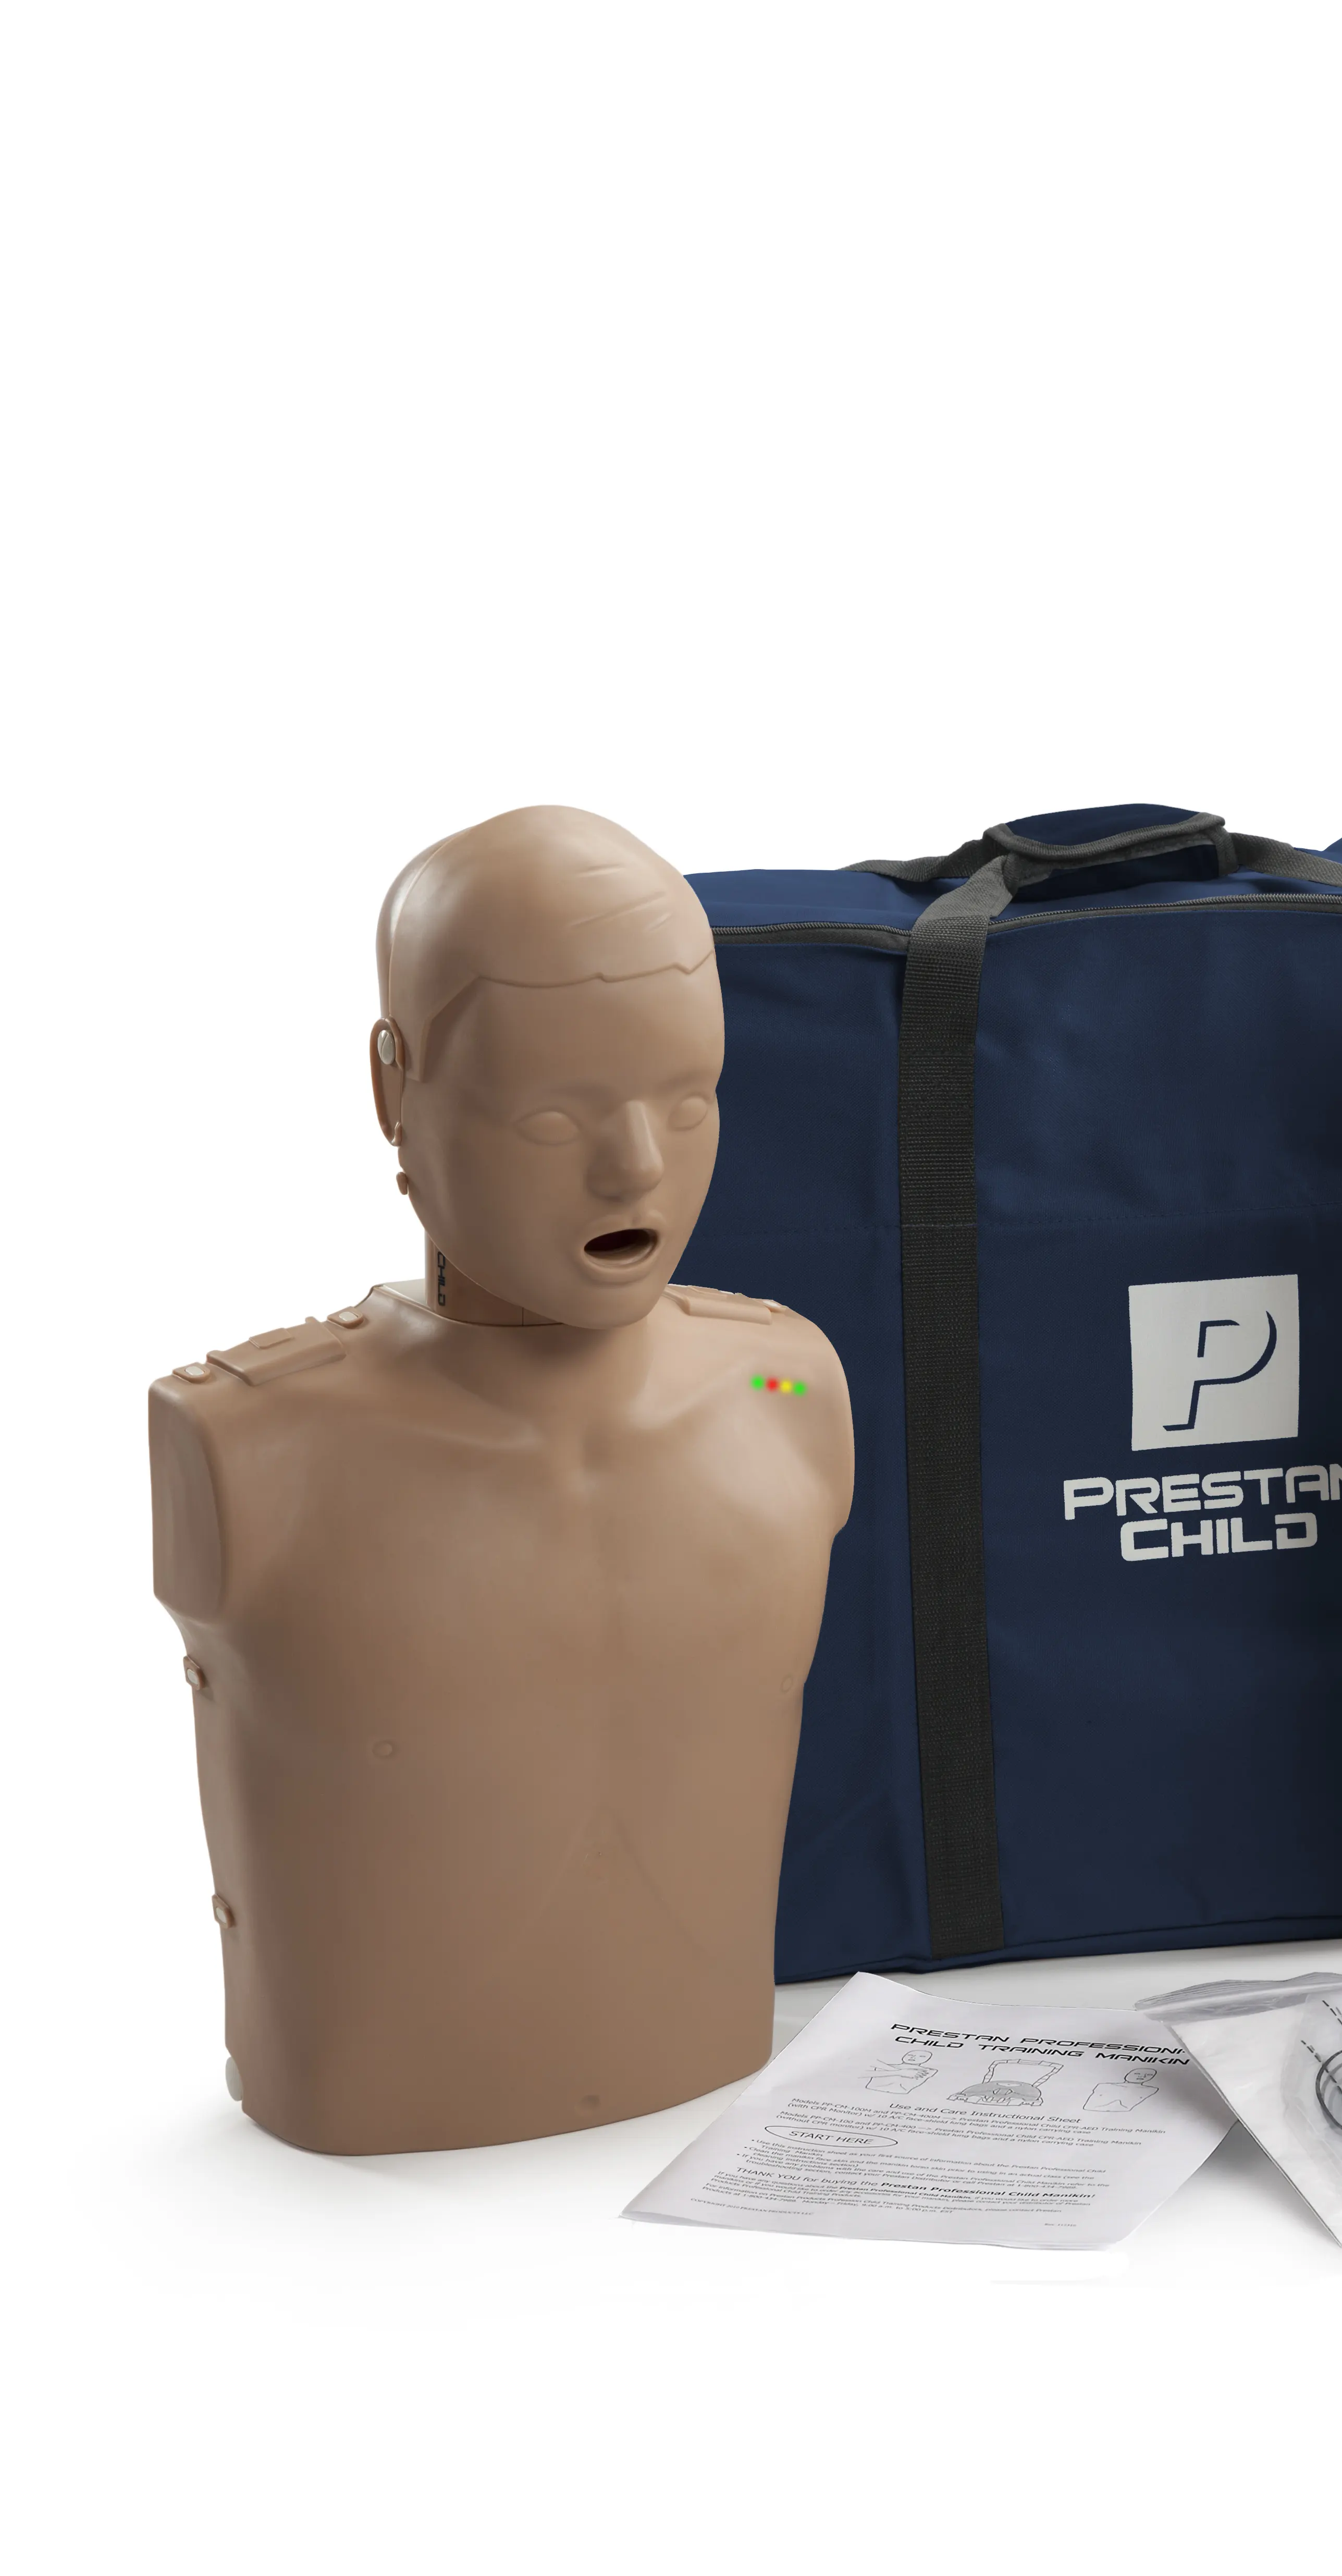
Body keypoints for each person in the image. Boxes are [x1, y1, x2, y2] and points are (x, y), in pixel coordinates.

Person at [149, 807, 854, 2153]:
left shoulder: (787, 1391)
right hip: (366, 2171)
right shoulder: (246, 1444)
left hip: (711, 2100)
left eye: (688, 1100)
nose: (636, 1165)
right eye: (549, 1114)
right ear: (393, 1090)